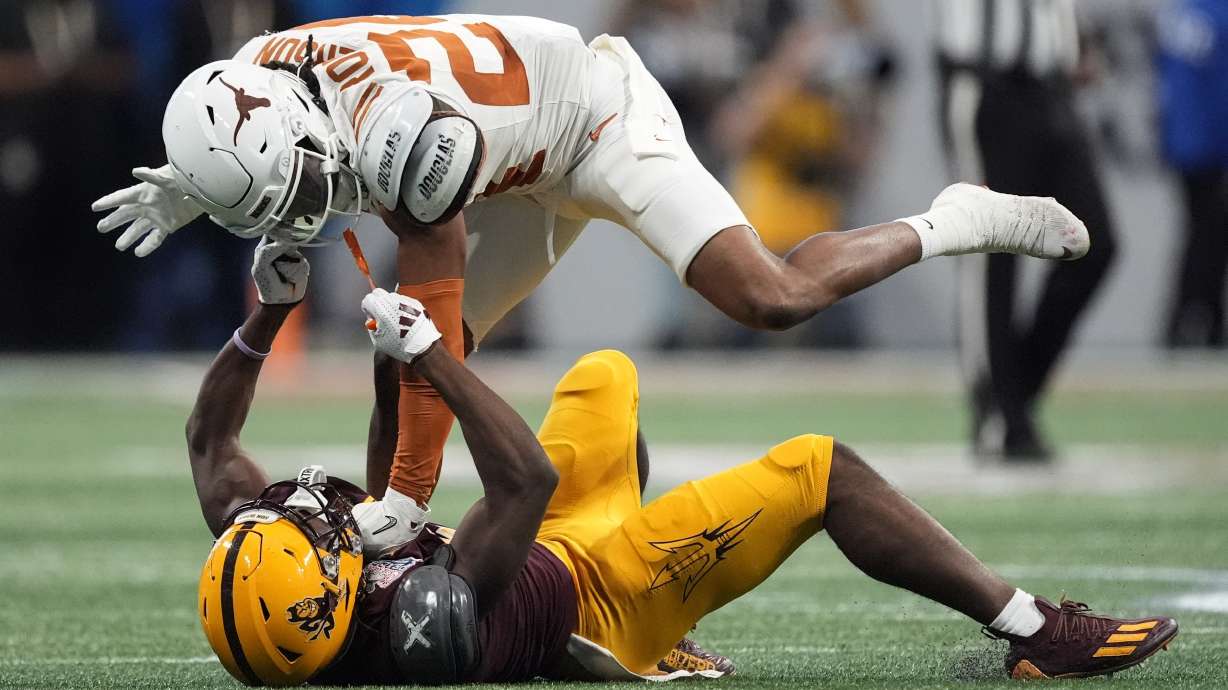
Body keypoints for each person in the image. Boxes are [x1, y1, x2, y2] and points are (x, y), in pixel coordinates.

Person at [93, 12, 1092, 553]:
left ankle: (951, 218)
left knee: (769, 298)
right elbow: (245, 140)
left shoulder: (393, 126)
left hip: (591, 121)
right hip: (505, 154)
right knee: (398, 360)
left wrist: (406, 489)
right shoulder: (259, 72)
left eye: (305, 180)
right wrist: (193, 184)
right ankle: (388, 548)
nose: (307, 206)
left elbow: (433, 300)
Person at [188, 241, 1176, 686]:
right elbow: (520, 481)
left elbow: (211, 451)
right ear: (331, 601)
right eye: (314, 540)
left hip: (549, 544)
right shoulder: (419, 625)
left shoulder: (291, 589)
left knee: (605, 375)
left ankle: (669, 575)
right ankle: (1035, 627)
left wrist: (267, 312)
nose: (312, 515)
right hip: (606, 596)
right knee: (816, 469)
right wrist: (430, 353)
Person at [933, 0, 1118, 460]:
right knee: (989, 249)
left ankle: (1014, 394)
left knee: (1094, 244)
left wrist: (1072, 35)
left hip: (1051, 89)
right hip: (985, 82)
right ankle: (997, 408)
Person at [1156, 0, 1228, 349]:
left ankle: (1197, 319)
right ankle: (1196, 321)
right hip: (1208, 145)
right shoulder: (1215, 12)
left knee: (1202, 234)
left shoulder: (1183, 12)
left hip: (1186, 142)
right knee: (1207, 236)